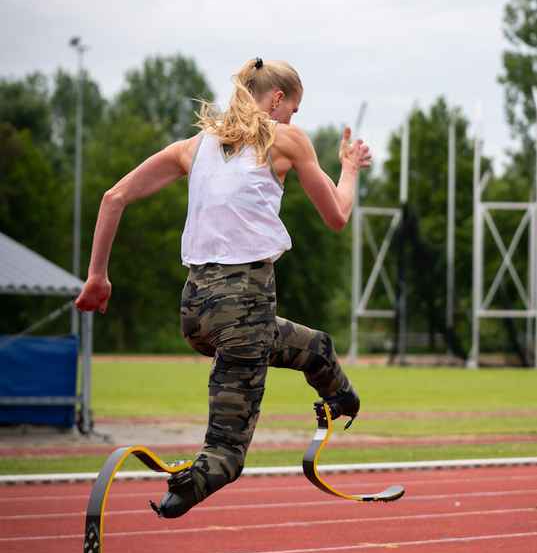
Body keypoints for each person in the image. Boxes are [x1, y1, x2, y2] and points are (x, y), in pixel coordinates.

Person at [75, 57, 371, 518]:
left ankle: (340, 396)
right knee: (227, 455)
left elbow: (113, 198)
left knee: (316, 348)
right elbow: (337, 216)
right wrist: (349, 169)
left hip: (196, 310)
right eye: (294, 107)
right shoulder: (286, 139)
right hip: (244, 306)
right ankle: (189, 483)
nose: (294, 118)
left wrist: (98, 276)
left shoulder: (193, 147)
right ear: (277, 99)